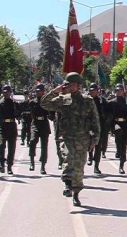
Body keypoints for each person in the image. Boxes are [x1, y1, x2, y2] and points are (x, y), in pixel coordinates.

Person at [40, 72, 100, 206]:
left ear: (79, 85)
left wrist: (94, 140)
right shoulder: (63, 99)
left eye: (74, 85)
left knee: (79, 168)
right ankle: (67, 184)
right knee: (68, 157)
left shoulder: (88, 101)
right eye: (70, 85)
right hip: (67, 137)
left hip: (83, 139)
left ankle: (76, 193)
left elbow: (95, 122)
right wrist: (55, 91)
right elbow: (44, 104)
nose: (72, 87)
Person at [107, 83, 127, 174]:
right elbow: (109, 115)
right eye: (117, 90)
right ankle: (118, 151)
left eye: (120, 90)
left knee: (123, 145)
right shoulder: (112, 102)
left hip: (125, 124)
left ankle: (121, 165)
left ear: (123, 91)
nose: (119, 92)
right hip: (116, 123)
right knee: (118, 139)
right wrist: (111, 126)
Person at [0, 85, 20, 175]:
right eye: (4, 92)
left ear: (10, 93)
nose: (6, 94)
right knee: (1, 145)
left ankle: (9, 165)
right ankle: (2, 164)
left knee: (11, 147)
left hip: (11, 126)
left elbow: (18, 115)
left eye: (8, 92)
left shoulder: (14, 103)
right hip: (2, 126)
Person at [28, 83, 51, 174]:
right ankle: (32, 162)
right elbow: (31, 114)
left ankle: (43, 166)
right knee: (32, 141)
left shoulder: (46, 102)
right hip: (36, 123)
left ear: (43, 92)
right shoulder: (32, 102)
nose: (39, 93)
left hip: (44, 124)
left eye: (40, 91)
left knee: (44, 146)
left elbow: (51, 113)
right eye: (37, 91)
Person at [87, 82, 108, 174]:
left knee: (98, 146)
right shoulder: (86, 100)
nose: (92, 92)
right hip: (89, 126)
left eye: (94, 90)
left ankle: (96, 166)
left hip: (100, 126)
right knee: (89, 143)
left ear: (97, 91)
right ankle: (90, 156)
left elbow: (107, 112)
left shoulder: (102, 100)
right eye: (91, 90)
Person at [52, 81, 70, 170]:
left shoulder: (72, 98)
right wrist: (55, 91)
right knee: (58, 144)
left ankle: (67, 164)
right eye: (63, 88)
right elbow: (47, 104)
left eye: (66, 87)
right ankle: (60, 160)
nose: (64, 89)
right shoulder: (58, 99)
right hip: (59, 124)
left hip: (69, 126)